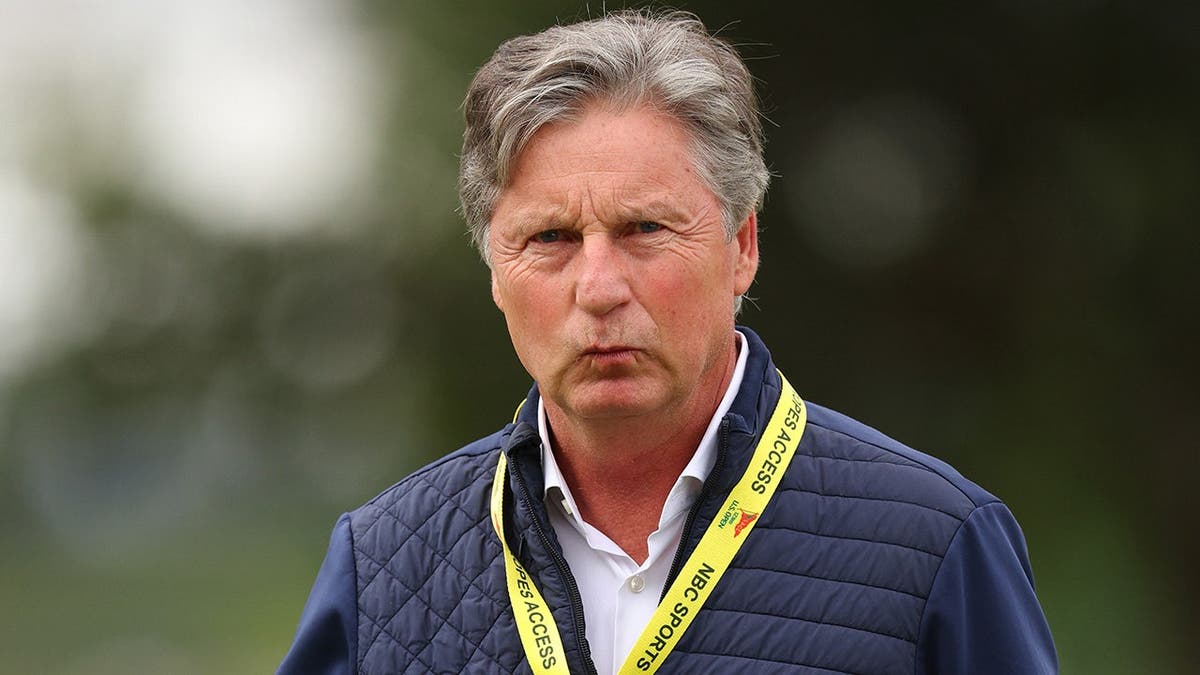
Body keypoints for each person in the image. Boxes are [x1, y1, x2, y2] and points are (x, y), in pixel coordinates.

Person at [278, 10, 1057, 674]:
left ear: (742, 244)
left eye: (644, 228)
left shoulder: (935, 544)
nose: (599, 286)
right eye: (550, 237)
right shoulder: (382, 565)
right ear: (494, 271)